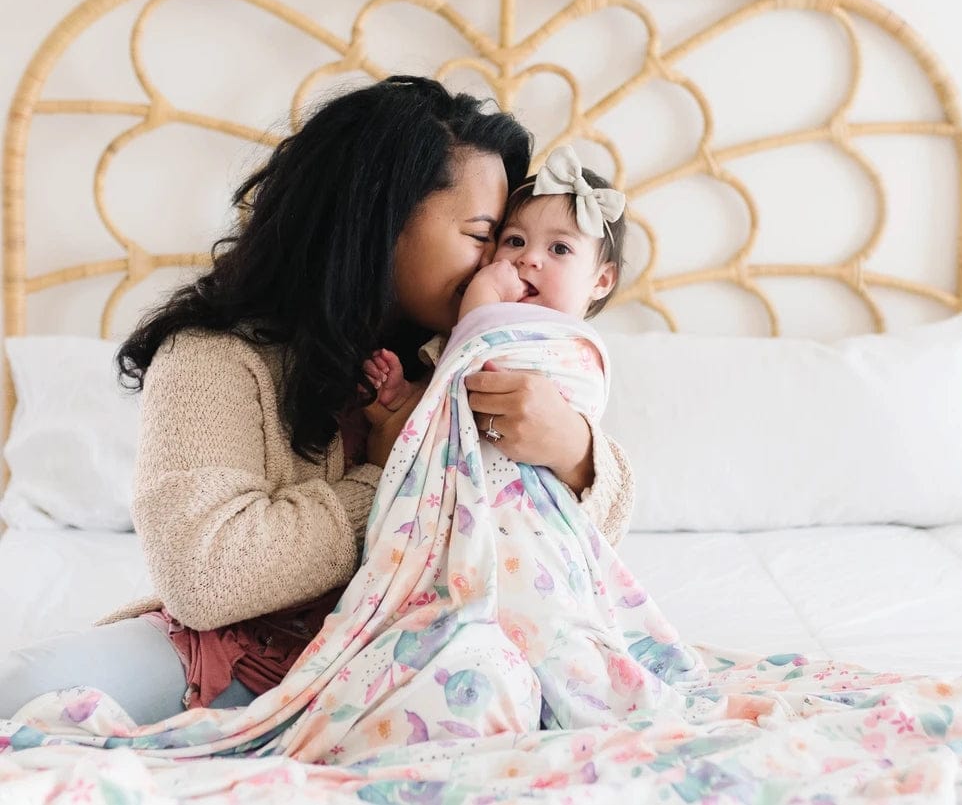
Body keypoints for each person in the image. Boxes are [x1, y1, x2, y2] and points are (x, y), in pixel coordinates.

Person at [0, 77, 635, 725]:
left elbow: (556, 554)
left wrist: (575, 453)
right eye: (487, 236)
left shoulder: (463, 358)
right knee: (28, 693)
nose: (504, 267)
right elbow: (203, 576)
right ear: (382, 221)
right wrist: (388, 474)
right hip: (240, 655)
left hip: (423, 652)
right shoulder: (215, 357)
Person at [364, 144, 626, 423]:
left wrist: (485, 292)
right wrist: (406, 396)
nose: (528, 258)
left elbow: (475, 355)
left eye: (560, 248)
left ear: (601, 280)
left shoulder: (570, 353)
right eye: (515, 241)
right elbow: (450, 396)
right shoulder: (463, 327)